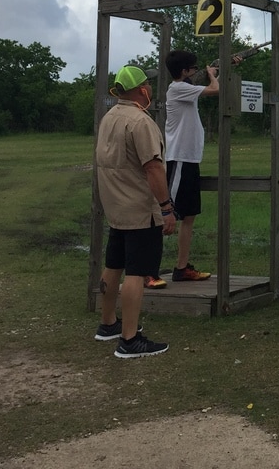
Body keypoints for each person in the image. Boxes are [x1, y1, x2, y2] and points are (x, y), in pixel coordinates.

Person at [94, 65, 176, 358]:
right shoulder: (141, 122)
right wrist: (166, 207)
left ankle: (108, 324)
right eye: (148, 86)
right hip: (140, 208)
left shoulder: (109, 117)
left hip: (116, 206)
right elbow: (153, 167)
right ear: (143, 90)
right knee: (138, 272)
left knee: (113, 264)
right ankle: (129, 339)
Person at [143, 49, 243, 287]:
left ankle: (181, 268)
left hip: (189, 160)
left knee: (188, 217)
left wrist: (225, 67)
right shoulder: (177, 89)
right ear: (185, 71)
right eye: (194, 68)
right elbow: (216, 90)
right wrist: (213, 74)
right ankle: (147, 271)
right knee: (166, 218)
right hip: (179, 159)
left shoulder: (184, 86)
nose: (198, 70)